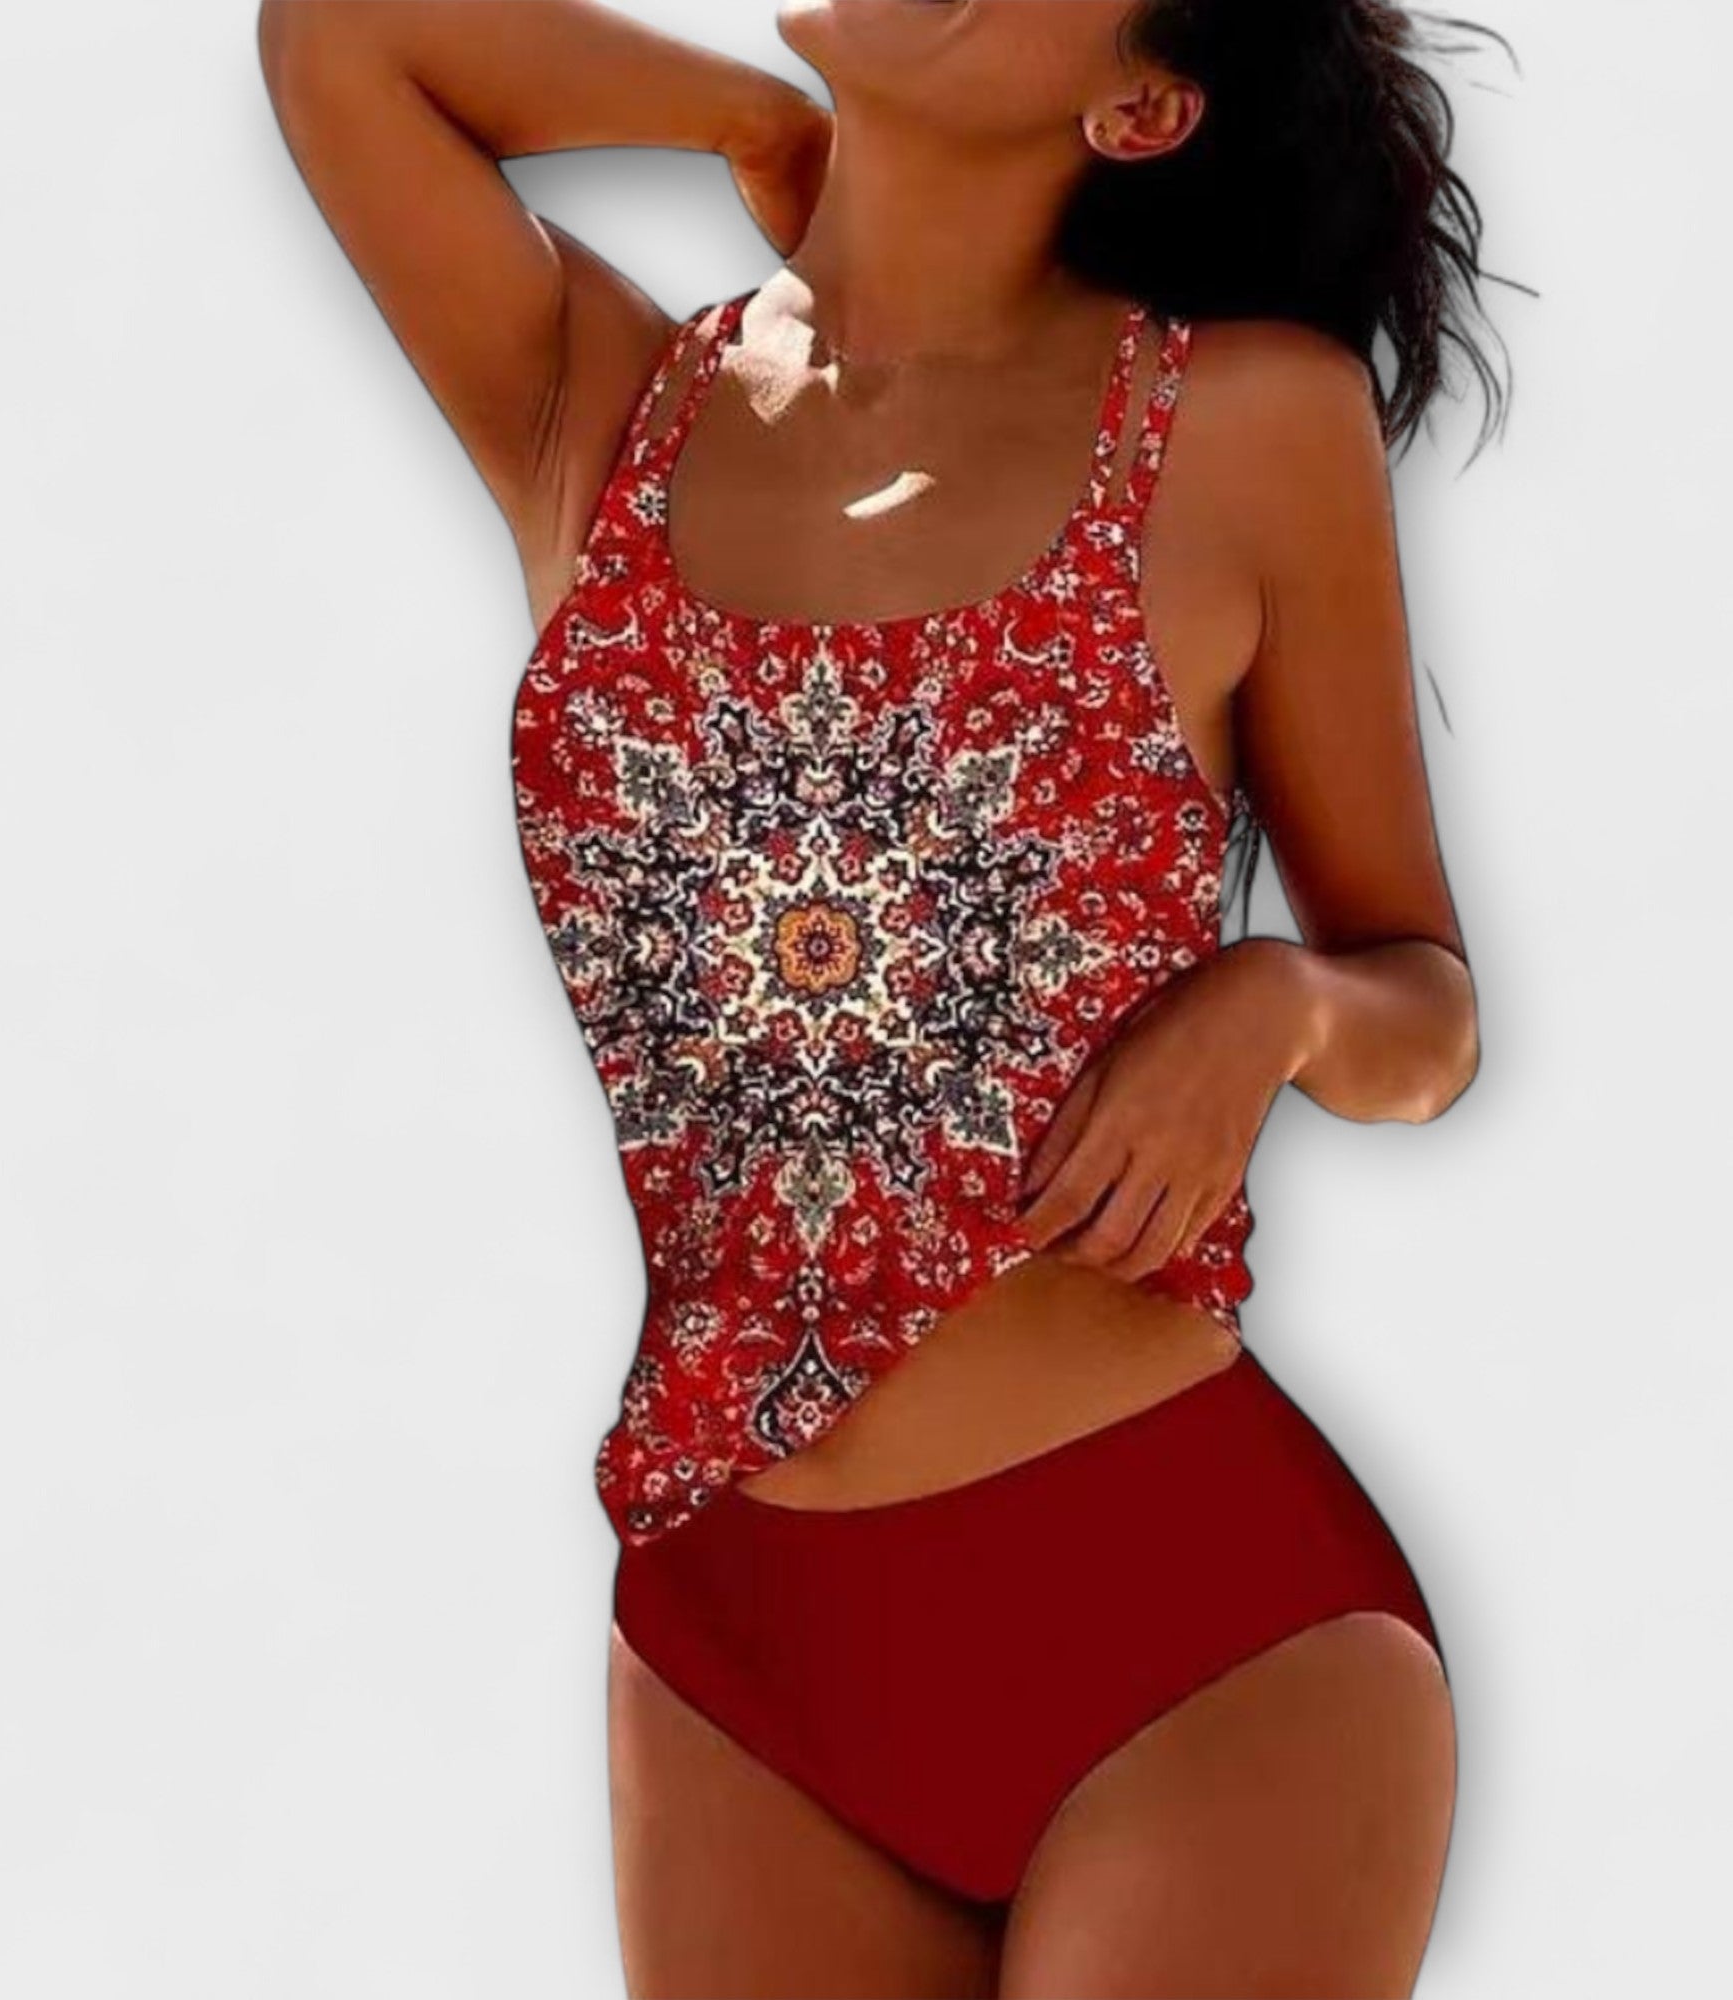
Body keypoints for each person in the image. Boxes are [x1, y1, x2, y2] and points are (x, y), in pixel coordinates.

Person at [259, 2, 1504, 1992]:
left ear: (1139, 104)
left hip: (1187, 1622)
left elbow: (1421, 1007)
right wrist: (749, 116)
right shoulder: (611, 406)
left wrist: (1273, 1005)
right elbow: (340, 40)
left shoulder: (1243, 424)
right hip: (736, 1640)